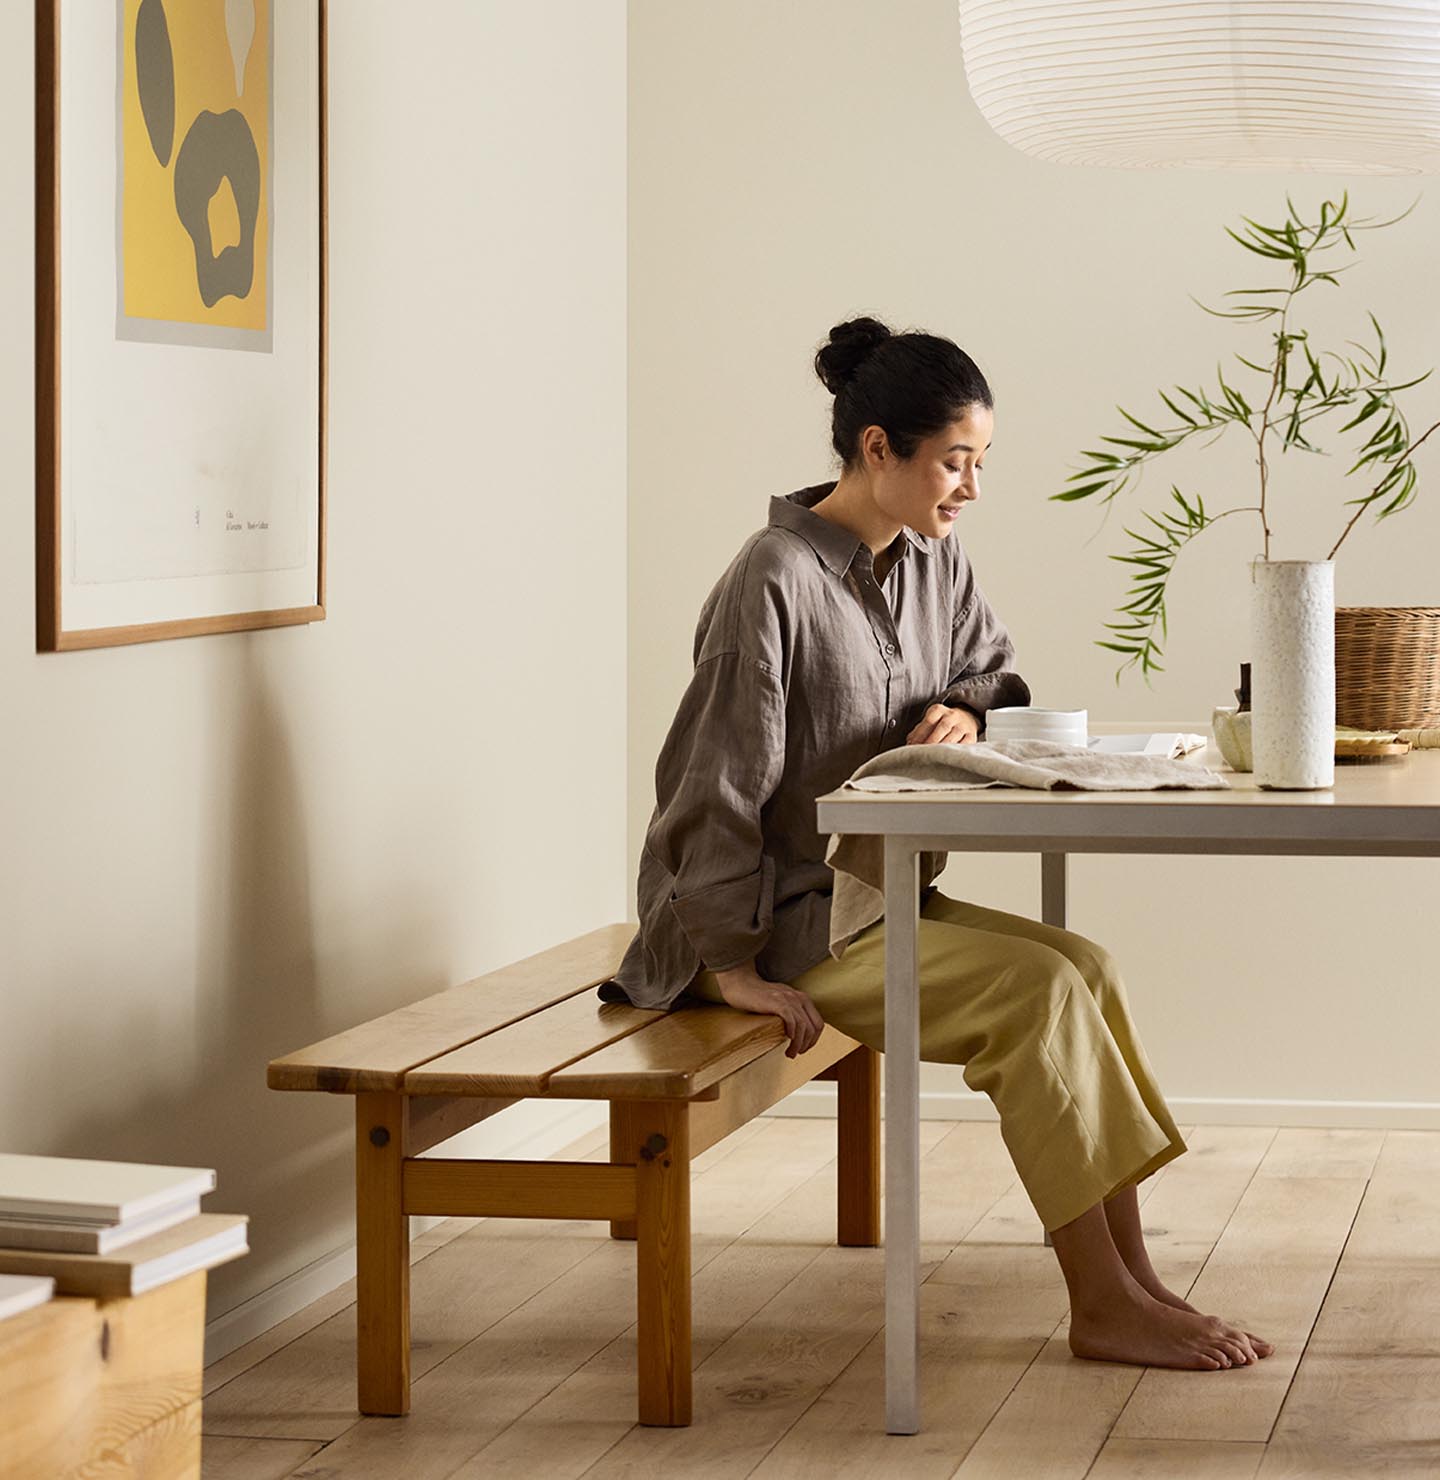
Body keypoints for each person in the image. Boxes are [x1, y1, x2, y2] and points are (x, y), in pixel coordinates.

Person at [601, 315, 1273, 1373]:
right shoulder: (771, 580)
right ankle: (1100, 1302)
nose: (971, 487)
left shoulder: (931, 560)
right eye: (956, 461)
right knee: (1033, 994)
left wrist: (963, 705)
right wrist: (730, 967)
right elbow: (708, 789)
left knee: (1086, 967)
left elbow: (994, 665)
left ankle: (1135, 1280)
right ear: (879, 449)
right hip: (783, 927)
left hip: (879, 896)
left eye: (980, 461)